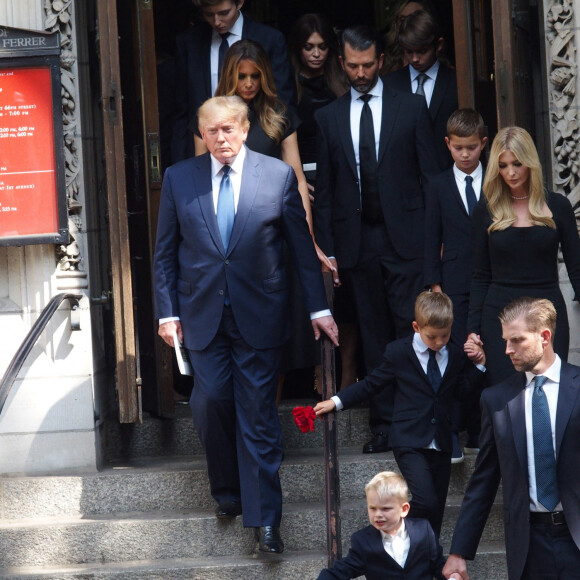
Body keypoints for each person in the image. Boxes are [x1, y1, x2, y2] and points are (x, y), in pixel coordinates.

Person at [153, 96, 338, 553]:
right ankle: (228, 491)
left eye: (229, 129)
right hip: (201, 316)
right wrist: (166, 312)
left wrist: (319, 309)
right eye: (212, 131)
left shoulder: (276, 175)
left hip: (260, 314)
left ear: (245, 127)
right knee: (209, 402)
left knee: (257, 416)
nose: (221, 138)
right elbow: (164, 255)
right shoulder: (179, 178)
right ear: (202, 134)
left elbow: (300, 247)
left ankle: (267, 521)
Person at [313, 25, 441, 454]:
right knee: (372, 336)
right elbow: (327, 193)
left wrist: (433, 243)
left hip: (406, 239)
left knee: (414, 332)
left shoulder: (411, 108)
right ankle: (383, 425)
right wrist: (329, 251)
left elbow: (430, 180)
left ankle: (420, 419)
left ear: (381, 61)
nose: (361, 73)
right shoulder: (328, 118)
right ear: (342, 64)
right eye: (352, 66)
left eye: (368, 65)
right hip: (357, 243)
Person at [195, 39, 330, 381]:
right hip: (227, 233)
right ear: (230, 76)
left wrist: (308, 239)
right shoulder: (212, 118)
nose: (249, 83)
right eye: (241, 76)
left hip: (275, 230)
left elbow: (297, 177)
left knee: (273, 329)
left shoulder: (278, 114)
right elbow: (199, 181)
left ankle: (271, 402)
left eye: (255, 76)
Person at [314, 291, 485, 538]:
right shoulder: (398, 352)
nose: (439, 342)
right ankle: (384, 533)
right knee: (425, 500)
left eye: (445, 336)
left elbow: (462, 392)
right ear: (416, 327)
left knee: (436, 509)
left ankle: (426, 559)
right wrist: (337, 401)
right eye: (432, 337)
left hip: (443, 440)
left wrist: (479, 366)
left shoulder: (455, 354)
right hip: (408, 439)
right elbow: (371, 384)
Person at [443, 297, 580, 580]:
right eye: (505, 340)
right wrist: (459, 552)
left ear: (544, 336)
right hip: (529, 542)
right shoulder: (497, 399)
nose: (507, 350)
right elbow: (484, 479)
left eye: (516, 340)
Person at [467, 126, 580, 387]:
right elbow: (480, 275)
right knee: (506, 399)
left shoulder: (558, 206)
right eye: (503, 166)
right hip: (499, 316)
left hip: (547, 313)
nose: (511, 172)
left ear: (530, 161)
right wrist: (472, 329)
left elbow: (576, 268)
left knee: (550, 389)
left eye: (517, 163)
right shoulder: (485, 209)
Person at [287, 14, 357, 392]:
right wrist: (298, 181)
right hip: (299, 182)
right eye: (308, 47)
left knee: (340, 278)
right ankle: (313, 368)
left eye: (322, 47)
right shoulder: (289, 87)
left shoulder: (340, 83)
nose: (315, 54)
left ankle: (346, 370)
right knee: (307, 276)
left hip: (337, 184)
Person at [424, 108, 488, 457]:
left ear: (484, 144)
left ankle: (481, 431)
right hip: (454, 286)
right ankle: (453, 430)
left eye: (472, 147)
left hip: (493, 282)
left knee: (487, 355)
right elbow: (430, 239)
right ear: (447, 144)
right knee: (459, 356)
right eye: (458, 147)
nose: (465, 154)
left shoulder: (495, 180)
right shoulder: (437, 184)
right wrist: (436, 289)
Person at [171, 0, 296, 161]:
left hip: (261, 150)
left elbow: (283, 104)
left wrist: (291, 168)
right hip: (202, 151)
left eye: (224, 13)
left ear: (240, 3)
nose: (216, 21)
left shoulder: (269, 39)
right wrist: (179, 165)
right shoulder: (189, 43)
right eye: (209, 15)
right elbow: (181, 110)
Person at [317, 471, 454, 580]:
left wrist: (452, 576)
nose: (378, 514)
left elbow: (438, 564)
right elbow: (340, 571)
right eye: (373, 508)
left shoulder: (423, 530)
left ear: (404, 509)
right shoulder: (363, 541)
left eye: (385, 509)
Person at [383, 9, 458, 168]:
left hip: (447, 176)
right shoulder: (388, 86)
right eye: (409, 51)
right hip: (404, 179)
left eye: (422, 51)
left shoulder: (456, 83)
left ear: (438, 45)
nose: (415, 58)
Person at [381, 0, 437, 75]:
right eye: (403, 19)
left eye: (416, 18)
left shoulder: (446, 71)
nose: (408, 24)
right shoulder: (386, 55)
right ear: (396, 23)